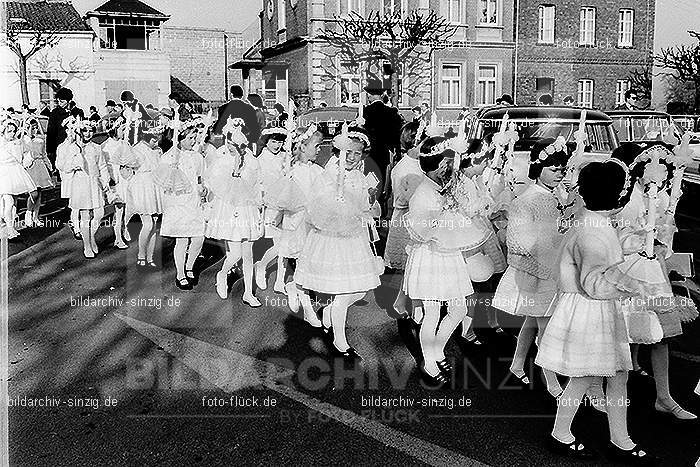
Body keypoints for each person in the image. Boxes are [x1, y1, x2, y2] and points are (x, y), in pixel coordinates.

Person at [535, 159, 657, 464]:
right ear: (613, 193)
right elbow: (595, 284)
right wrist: (637, 288)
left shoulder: (591, 221)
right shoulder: (593, 230)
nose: (627, 190)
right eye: (624, 186)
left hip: (593, 309)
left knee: (615, 375)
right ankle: (565, 435)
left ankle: (617, 439)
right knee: (587, 376)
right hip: (591, 310)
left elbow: (602, 267)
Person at [613, 142, 697, 420]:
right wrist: (639, 240)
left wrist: (662, 236)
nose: (658, 176)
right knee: (621, 332)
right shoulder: (626, 197)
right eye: (654, 168)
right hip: (627, 270)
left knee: (662, 333)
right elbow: (614, 238)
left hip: (654, 269)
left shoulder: (660, 196)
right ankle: (606, 392)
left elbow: (666, 235)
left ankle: (664, 396)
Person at [295, 126, 382, 360]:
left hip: (353, 237)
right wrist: (337, 205)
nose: (353, 157)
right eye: (348, 152)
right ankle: (340, 341)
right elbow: (314, 208)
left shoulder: (358, 174)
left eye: (358, 153)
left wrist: (367, 203)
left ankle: (329, 312)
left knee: (360, 288)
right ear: (338, 151)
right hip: (332, 238)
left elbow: (363, 204)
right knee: (343, 292)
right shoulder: (330, 173)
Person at [493, 137, 570, 397]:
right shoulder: (526, 200)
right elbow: (517, 241)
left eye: (562, 169)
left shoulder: (555, 195)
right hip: (537, 270)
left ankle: (517, 364)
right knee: (546, 325)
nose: (560, 174)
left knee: (534, 319)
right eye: (553, 169)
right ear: (538, 168)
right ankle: (551, 381)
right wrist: (553, 241)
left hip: (553, 267)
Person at [402, 136, 483, 384]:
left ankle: (437, 348)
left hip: (449, 256)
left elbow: (463, 218)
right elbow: (419, 232)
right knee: (433, 312)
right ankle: (428, 362)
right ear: (438, 166)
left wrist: (456, 205)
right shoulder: (423, 193)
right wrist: (442, 211)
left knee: (458, 309)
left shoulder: (445, 189)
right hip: (430, 256)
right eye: (448, 163)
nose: (451, 168)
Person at [205, 119, 263, 307]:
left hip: (247, 208)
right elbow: (218, 186)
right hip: (230, 209)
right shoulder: (222, 160)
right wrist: (236, 169)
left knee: (248, 253)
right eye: (229, 143)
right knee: (235, 253)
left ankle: (248, 292)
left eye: (235, 145)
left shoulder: (252, 160)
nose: (231, 147)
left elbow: (255, 185)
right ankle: (222, 275)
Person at [276, 125, 325, 327]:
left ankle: (293, 286)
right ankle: (308, 310)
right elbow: (284, 199)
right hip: (298, 223)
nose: (320, 149)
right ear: (303, 147)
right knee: (302, 263)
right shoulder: (292, 170)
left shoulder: (318, 171)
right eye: (316, 145)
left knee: (311, 266)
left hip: (314, 223)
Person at [155, 125, 207, 290]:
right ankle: (180, 274)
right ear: (179, 138)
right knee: (182, 239)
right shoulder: (168, 157)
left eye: (195, 137)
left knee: (199, 238)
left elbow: (201, 178)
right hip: (177, 203)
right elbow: (162, 182)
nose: (194, 141)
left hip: (194, 202)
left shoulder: (197, 157)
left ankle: (190, 265)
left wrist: (204, 188)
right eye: (190, 138)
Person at [384, 121, 424, 318]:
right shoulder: (404, 167)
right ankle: (409, 306)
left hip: (415, 219)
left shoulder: (417, 164)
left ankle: (404, 302)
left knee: (413, 267)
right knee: (410, 265)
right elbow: (401, 198)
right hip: (406, 220)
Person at [55, 120, 111, 258]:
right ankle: (87, 245)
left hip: (94, 182)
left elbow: (102, 166)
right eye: (85, 131)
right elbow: (63, 166)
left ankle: (90, 237)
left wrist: (105, 180)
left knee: (99, 213)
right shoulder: (72, 148)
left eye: (91, 130)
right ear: (79, 132)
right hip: (80, 183)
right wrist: (76, 158)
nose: (88, 133)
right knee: (85, 215)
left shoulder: (96, 147)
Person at [254, 128, 288, 293]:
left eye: (280, 142)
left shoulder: (285, 157)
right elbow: (259, 184)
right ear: (266, 142)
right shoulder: (260, 160)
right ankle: (261, 265)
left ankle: (280, 281)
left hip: (287, 203)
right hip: (271, 205)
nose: (277, 145)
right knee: (280, 244)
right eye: (273, 141)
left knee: (287, 244)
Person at [127, 129, 163, 267]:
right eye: (154, 140)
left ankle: (150, 256)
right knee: (147, 224)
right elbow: (128, 169)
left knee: (154, 225)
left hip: (155, 186)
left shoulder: (157, 150)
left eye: (157, 139)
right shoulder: (136, 149)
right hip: (142, 187)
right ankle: (141, 254)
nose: (157, 143)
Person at [363, 77, 403, 201]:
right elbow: (397, 135)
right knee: (382, 178)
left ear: (370, 95)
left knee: (368, 179)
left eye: (368, 95)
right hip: (384, 151)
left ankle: (370, 204)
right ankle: (381, 202)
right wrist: (396, 151)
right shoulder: (391, 112)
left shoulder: (365, 111)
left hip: (368, 152)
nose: (368, 97)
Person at [0, 118, 37, 238]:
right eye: (8, 131)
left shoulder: (17, 143)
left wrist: (27, 156)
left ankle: (12, 227)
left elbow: (23, 157)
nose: (11, 134)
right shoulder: (1, 143)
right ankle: (9, 229)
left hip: (16, 172)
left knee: (14, 202)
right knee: (9, 203)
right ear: (3, 131)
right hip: (4, 174)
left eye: (13, 131)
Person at [21, 117, 55, 227]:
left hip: (40, 166)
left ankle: (36, 216)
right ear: (27, 128)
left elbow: (44, 154)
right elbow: (22, 155)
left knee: (39, 193)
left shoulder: (40, 140)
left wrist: (50, 167)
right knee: (33, 193)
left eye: (36, 128)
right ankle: (28, 215)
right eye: (32, 128)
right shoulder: (23, 140)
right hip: (30, 166)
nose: (34, 130)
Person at [46, 87, 73, 168]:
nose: (59, 103)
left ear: (69, 101)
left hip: (74, 145)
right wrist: (50, 150)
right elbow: (51, 132)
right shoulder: (55, 113)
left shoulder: (76, 112)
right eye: (58, 101)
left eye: (62, 101)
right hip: (60, 145)